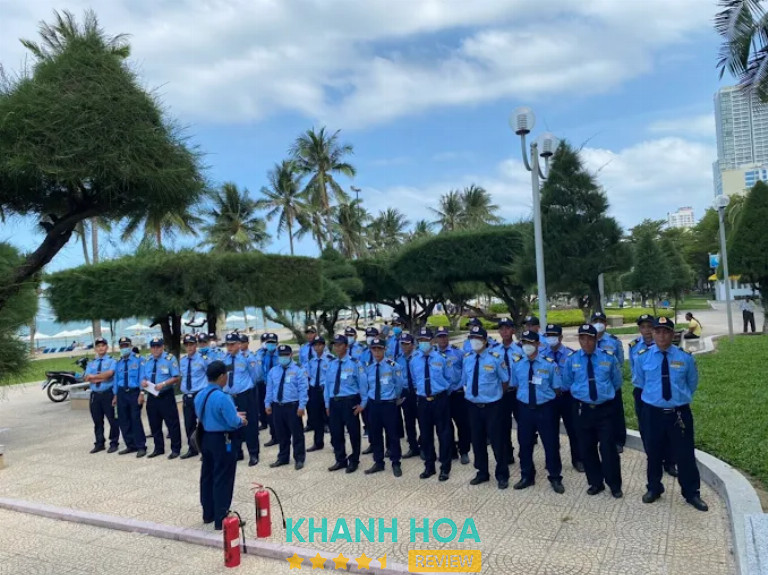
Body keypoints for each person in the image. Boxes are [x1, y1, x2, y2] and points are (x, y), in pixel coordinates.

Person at [632, 317, 708, 512]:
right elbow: (640, 384)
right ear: (653, 334)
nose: (662, 335)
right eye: (658, 331)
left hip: (678, 414)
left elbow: (692, 383)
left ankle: (692, 493)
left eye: (666, 332)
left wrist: (677, 401)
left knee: (685, 455)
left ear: (673, 335)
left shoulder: (685, 358)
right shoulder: (642, 356)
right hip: (653, 413)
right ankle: (654, 488)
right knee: (653, 453)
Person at [562, 325, 623, 498]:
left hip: (605, 410)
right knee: (587, 448)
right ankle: (595, 482)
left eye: (589, 338)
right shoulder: (571, 360)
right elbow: (567, 383)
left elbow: (616, 382)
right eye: (582, 338)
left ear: (596, 339)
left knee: (608, 449)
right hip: (582, 410)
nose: (586, 342)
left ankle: (614, 484)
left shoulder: (608, 358)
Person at [509, 330, 564, 494]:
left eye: (530, 343)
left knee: (551, 444)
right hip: (525, 409)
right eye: (524, 343)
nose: (527, 346)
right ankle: (527, 476)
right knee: (525, 444)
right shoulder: (517, 364)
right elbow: (516, 385)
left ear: (538, 344)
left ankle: (555, 477)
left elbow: (557, 388)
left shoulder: (549, 364)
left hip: (545, 409)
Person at [196, 360, 248, 530]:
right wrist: (241, 420)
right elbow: (233, 422)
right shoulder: (223, 397)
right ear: (221, 377)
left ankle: (208, 513)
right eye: (226, 375)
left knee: (208, 476)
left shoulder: (200, 395)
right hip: (223, 440)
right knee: (223, 478)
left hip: (206, 438)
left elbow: (207, 415)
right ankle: (222, 517)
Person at [629, 315, 677, 477]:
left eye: (650, 326)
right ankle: (653, 456)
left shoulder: (669, 347)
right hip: (642, 391)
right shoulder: (634, 346)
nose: (647, 330)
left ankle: (670, 461)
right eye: (643, 327)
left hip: (665, 393)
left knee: (670, 428)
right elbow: (635, 371)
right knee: (646, 426)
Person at [463, 326, 510, 489]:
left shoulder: (496, 358)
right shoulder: (467, 358)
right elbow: (465, 381)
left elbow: (505, 381)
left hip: (492, 407)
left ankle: (502, 474)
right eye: (472, 338)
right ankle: (482, 472)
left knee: (498, 441)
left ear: (485, 341)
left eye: (478, 338)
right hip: (473, 406)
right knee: (477, 441)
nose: (474, 342)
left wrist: (494, 396)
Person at [411, 328, 454, 481]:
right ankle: (429, 466)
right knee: (426, 435)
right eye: (420, 340)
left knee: (444, 434)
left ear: (432, 341)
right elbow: (415, 381)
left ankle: (445, 467)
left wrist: (440, 393)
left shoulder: (441, 358)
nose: (423, 343)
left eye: (426, 340)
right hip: (423, 401)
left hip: (440, 400)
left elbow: (449, 380)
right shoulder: (414, 360)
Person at [324, 334, 368, 474]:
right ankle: (340, 459)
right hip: (334, 402)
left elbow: (363, 385)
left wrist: (363, 403)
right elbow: (327, 386)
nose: (336, 347)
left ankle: (354, 460)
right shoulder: (331, 364)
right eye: (334, 345)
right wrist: (327, 404)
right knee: (336, 433)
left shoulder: (355, 363)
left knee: (354, 432)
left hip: (349, 401)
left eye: (339, 344)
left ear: (346, 346)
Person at [542, 324, 583, 473]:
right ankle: (551, 461)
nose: (551, 338)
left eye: (554, 335)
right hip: (549, 398)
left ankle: (578, 460)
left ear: (560, 337)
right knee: (549, 431)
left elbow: (576, 377)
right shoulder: (540, 355)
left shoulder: (571, 355)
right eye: (548, 335)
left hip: (567, 398)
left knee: (574, 430)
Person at [364, 337, 405, 477]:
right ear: (371, 350)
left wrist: (395, 397)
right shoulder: (368, 367)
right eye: (374, 349)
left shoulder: (393, 366)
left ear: (384, 349)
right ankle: (379, 462)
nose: (376, 352)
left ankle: (395, 462)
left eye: (379, 349)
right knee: (375, 434)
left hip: (388, 404)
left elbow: (399, 385)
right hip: (374, 404)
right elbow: (366, 386)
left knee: (392, 434)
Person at [265, 345, 308, 470]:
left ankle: (299, 458)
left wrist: (302, 406)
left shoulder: (298, 369)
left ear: (290, 355)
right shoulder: (274, 371)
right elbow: (270, 389)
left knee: (297, 434)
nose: (283, 357)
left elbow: (303, 389)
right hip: (277, 406)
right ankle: (283, 457)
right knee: (281, 434)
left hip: (293, 406)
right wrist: (267, 404)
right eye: (281, 355)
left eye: (285, 355)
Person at [222, 333, 260, 466]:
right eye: (228, 344)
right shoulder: (224, 359)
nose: (230, 347)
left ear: (239, 344)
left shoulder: (247, 358)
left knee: (249, 425)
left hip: (245, 395)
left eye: (232, 344)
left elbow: (255, 376)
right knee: (232, 425)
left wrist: (245, 387)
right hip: (229, 397)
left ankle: (254, 453)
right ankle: (237, 452)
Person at [591, 311, 626, 453]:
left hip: (611, 383)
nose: (598, 324)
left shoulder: (613, 341)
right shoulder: (587, 339)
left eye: (601, 321)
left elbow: (620, 362)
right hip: (593, 384)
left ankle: (618, 441)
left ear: (606, 324)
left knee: (616, 412)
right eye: (595, 321)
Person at [142, 338, 183, 459]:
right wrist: (143, 382)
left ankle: (176, 449)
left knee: (172, 423)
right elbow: (143, 377)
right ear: (150, 348)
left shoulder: (169, 359)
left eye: (158, 346)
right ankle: (158, 448)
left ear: (162, 347)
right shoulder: (147, 360)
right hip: (152, 396)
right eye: (153, 347)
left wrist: (164, 384)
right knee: (154, 423)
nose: (156, 349)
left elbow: (176, 377)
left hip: (166, 395)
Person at [435, 326, 469, 465]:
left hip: (457, 393)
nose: (442, 339)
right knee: (445, 425)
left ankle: (464, 451)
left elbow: (465, 370)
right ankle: (451, 452)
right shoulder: (433, 355)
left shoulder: (458, 352)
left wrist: (460, 384)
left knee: (462, 424)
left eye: (444, 336)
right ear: (436, 339)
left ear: (448, 337)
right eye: (440, 336)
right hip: (442, 395)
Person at [112, 336, 147, 457]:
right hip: (122, 393)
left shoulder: (139, 360)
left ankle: (141, 446)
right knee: (123, 420)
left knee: (135, 419)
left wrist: (142, 393)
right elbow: (116, 379)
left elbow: (142, 376)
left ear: (130, 346)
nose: (124, 348)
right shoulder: (118, 362)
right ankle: (130, 445)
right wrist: (115, 395)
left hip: (134, 392)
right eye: (122, 346)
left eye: (126, 345)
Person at [84, 337, 119, 454]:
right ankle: (99, 443)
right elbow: (86, 377)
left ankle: (114, 443)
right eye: (98, 346)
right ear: (95, 349)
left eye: (103, 345)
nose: (100, 348)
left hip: (108, 394)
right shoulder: (91, 363)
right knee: (97, 421)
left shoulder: (112, 361)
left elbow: (110, 374)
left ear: (107, 347)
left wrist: (95, 377)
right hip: (95, 395)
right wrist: (101, 377)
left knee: (112, 420)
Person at [179, 334, 210, 459]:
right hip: (187, 396)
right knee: (189, 424)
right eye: (186, 345)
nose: (189, 347)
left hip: (200, 394)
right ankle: (193, 448)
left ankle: (206, 450)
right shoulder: (182, 361)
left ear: (196, 345)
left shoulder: (203, 359)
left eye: (191, 344)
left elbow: (210, 376)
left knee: (203, 424)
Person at [495, 318, 520, 466]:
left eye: (507, 328)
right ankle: (507, 454)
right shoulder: (494, 351)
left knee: (522, 426)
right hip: (501, 393)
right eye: (501, 328)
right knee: (503, 426)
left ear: (513, 330)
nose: (504, 331)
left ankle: (524, 453)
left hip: (517, 393)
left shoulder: (521, 350)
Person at [396, 332, 421, 459]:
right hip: (406, 392)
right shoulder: (398, 358)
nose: (404, 347)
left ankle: (425, 446)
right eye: (402, 344)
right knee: (409, 421)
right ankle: (413, 447)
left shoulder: (419, 357)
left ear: (412, 344)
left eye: (407, 344)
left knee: (422, 421)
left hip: (418, 391)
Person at [306, 336, 332, 452]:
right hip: (314, 391)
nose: (317, 347)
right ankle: (318, 442)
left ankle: (335, 443)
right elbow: (309, 376)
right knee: (315, 418)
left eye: (319, 344)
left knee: (331, 418)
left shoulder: (330, 359)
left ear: (324, 345)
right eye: (315, 345)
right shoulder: (311, 361)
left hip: (325, 390)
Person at [256, 333, 279, 446]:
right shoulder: (263, 355)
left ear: (276, 343)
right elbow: (259, 369)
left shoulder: (281, 355)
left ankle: (282, 435)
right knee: (269, 412)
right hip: (266, 386)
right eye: (267, 342)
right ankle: (274, 436)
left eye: (272, 343)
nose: (269, 345)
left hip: (278, 387)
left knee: (279, 413)